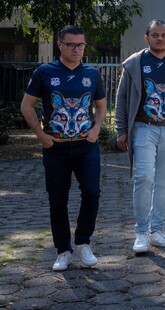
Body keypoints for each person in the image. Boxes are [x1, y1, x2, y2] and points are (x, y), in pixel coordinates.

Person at [20, 25, 106, 271]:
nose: (76, 49)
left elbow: (101, 105)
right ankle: (63, 250)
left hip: (86, 146)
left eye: (80, 45)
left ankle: (82, 243)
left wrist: (97, 128)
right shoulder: (45, 72)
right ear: (60, 44)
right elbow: (26, 106)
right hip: (55, 147)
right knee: (58, 200)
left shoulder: (92, 72)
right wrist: (40, 135)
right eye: (71, 44)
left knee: (92, 192)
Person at [115, 19, 165, 253]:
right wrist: (121, 130)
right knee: (144, 178)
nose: (159, 38)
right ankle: (141, 232)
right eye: (155, 35)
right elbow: (122, 99)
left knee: (163, 182)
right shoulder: (135, 64)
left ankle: (157, 231)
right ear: (147, 38)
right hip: (143, 127)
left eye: (163, 34)